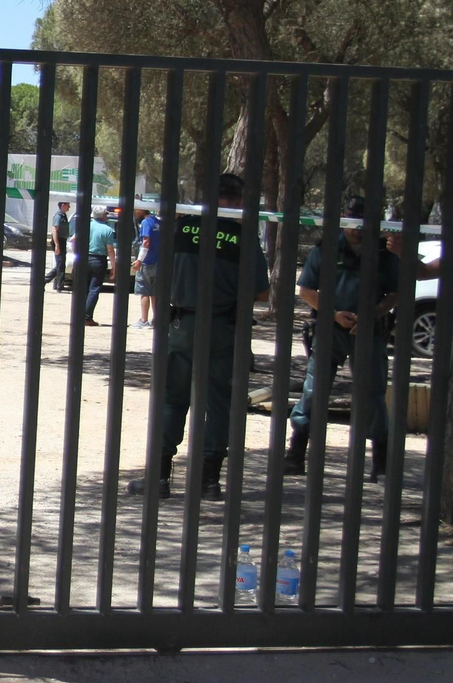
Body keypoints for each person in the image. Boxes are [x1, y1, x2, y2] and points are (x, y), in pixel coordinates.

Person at [128, 174, 271, 499]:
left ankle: (160, 479)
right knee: (219, 403)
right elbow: (261, 292)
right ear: (237, 201)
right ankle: (209, 482)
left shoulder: (182, 229)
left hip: (181, 326)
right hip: (224, 328)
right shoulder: (242, 236)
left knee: (171, 400)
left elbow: (161, 276)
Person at [284, 196, 400, 482]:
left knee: (372, 395)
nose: (357, 230)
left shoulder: (383, 255)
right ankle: (296, 455)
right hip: (330, 330)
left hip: (369, 333)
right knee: (314, 391)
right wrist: (334, 314)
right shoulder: (325, 250)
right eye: (352, 222)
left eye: (362, 224)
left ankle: (381, 464)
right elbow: (306, 291)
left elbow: (396, 293)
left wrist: (374, 312)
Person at [83, 203, 117, 326]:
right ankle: (87, 317)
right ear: (102, 215)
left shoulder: (86, 226)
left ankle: (80, 314)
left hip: (84, 258)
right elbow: (110, 250)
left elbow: (74, 240)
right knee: (94, 289)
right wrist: (114, 266)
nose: (107, 216)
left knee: (84, 288)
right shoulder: (107, 230)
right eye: (106, 214)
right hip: (98, 260)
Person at [131, 206, 160, 328]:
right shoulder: (160, 222)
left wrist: (139, 260)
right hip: (160, 262)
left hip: (147, 262)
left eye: (136, 209)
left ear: (142, 210)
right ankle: (156, 320)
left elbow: (146, 242)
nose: (135, 212)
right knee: (155, 293)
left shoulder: (146, 222)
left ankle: (144, 320)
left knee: (144, 291)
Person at [44, 200, 71, 289]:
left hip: (62, 241)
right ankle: (46, 280)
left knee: (61, 264)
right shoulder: (58, 216)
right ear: (63, 205)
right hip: (58, 241)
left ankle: (58, 284)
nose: (69, 207)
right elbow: (54, 230)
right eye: (68, 205)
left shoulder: (63, 215)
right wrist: (57, 245)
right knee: (60, 264)